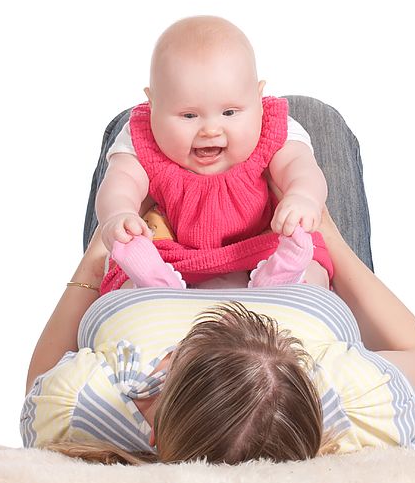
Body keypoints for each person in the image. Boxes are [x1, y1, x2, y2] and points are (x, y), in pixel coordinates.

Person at [22, 204, 415, 465]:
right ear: (309, 380)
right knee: (310, 123)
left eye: (177, 350)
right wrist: (334, 243)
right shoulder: (353, 403)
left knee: (145, 132)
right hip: (293, 253)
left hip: (139, 263)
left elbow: (37, 391)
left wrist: (92, 263)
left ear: (153, 428)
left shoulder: (91, 405)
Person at [96, 16, 333, 294]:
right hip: (172, 252)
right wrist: (119, 213)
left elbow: (300, 165)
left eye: (230, 112)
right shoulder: (141, 135)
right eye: (188, 115)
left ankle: (284, 279)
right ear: (153, 105)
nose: (210, 129)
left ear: (258, 99)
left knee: (312, 255)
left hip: (261, 243)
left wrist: (303, 196)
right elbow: (121, 179)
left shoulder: (273, 127)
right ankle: (151, 285)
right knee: (126, 257)